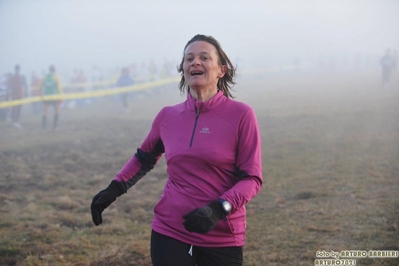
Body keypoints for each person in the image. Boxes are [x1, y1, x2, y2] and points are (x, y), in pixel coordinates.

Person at [91, 34, 263, 266]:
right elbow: (143, 159)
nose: (195, 63)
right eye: (189, 58)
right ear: (183, 68)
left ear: (221, 70)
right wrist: (114, 188)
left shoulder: (241, 115)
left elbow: (251, 179)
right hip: (170, 229)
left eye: (204, 57)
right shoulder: (167, 117)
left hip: (221, 234)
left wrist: (217, 209)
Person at [39, 65, 62, 129]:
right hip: (54, 96)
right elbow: (59, 88)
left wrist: (41, 95)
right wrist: (60, 97)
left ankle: (43, 126)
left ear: (49, 70)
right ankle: (55, 126)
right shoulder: (56, 77)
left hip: (46, 96)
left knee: (45, 110)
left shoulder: (45, 77)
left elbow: (40, 86)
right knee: (57, 110)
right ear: (54, 70)